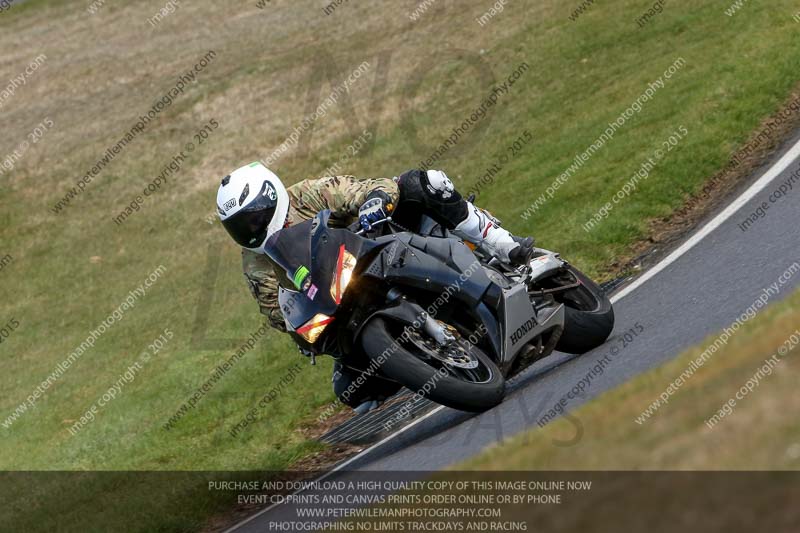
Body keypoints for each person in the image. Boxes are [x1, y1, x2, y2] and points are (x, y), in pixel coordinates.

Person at [216, 162, 534, 413]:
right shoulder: (255, 264)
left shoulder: (309, 194)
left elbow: (372, 187)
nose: (250, 230)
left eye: (253, 218)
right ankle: (422, 365)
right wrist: (301, 332)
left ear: (271, 197)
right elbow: (279, 313)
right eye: (239, 226)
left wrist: (375, 201)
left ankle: (504, 245)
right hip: (341, 303)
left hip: (378, 248)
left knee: (421, 182)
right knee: (352, 392)